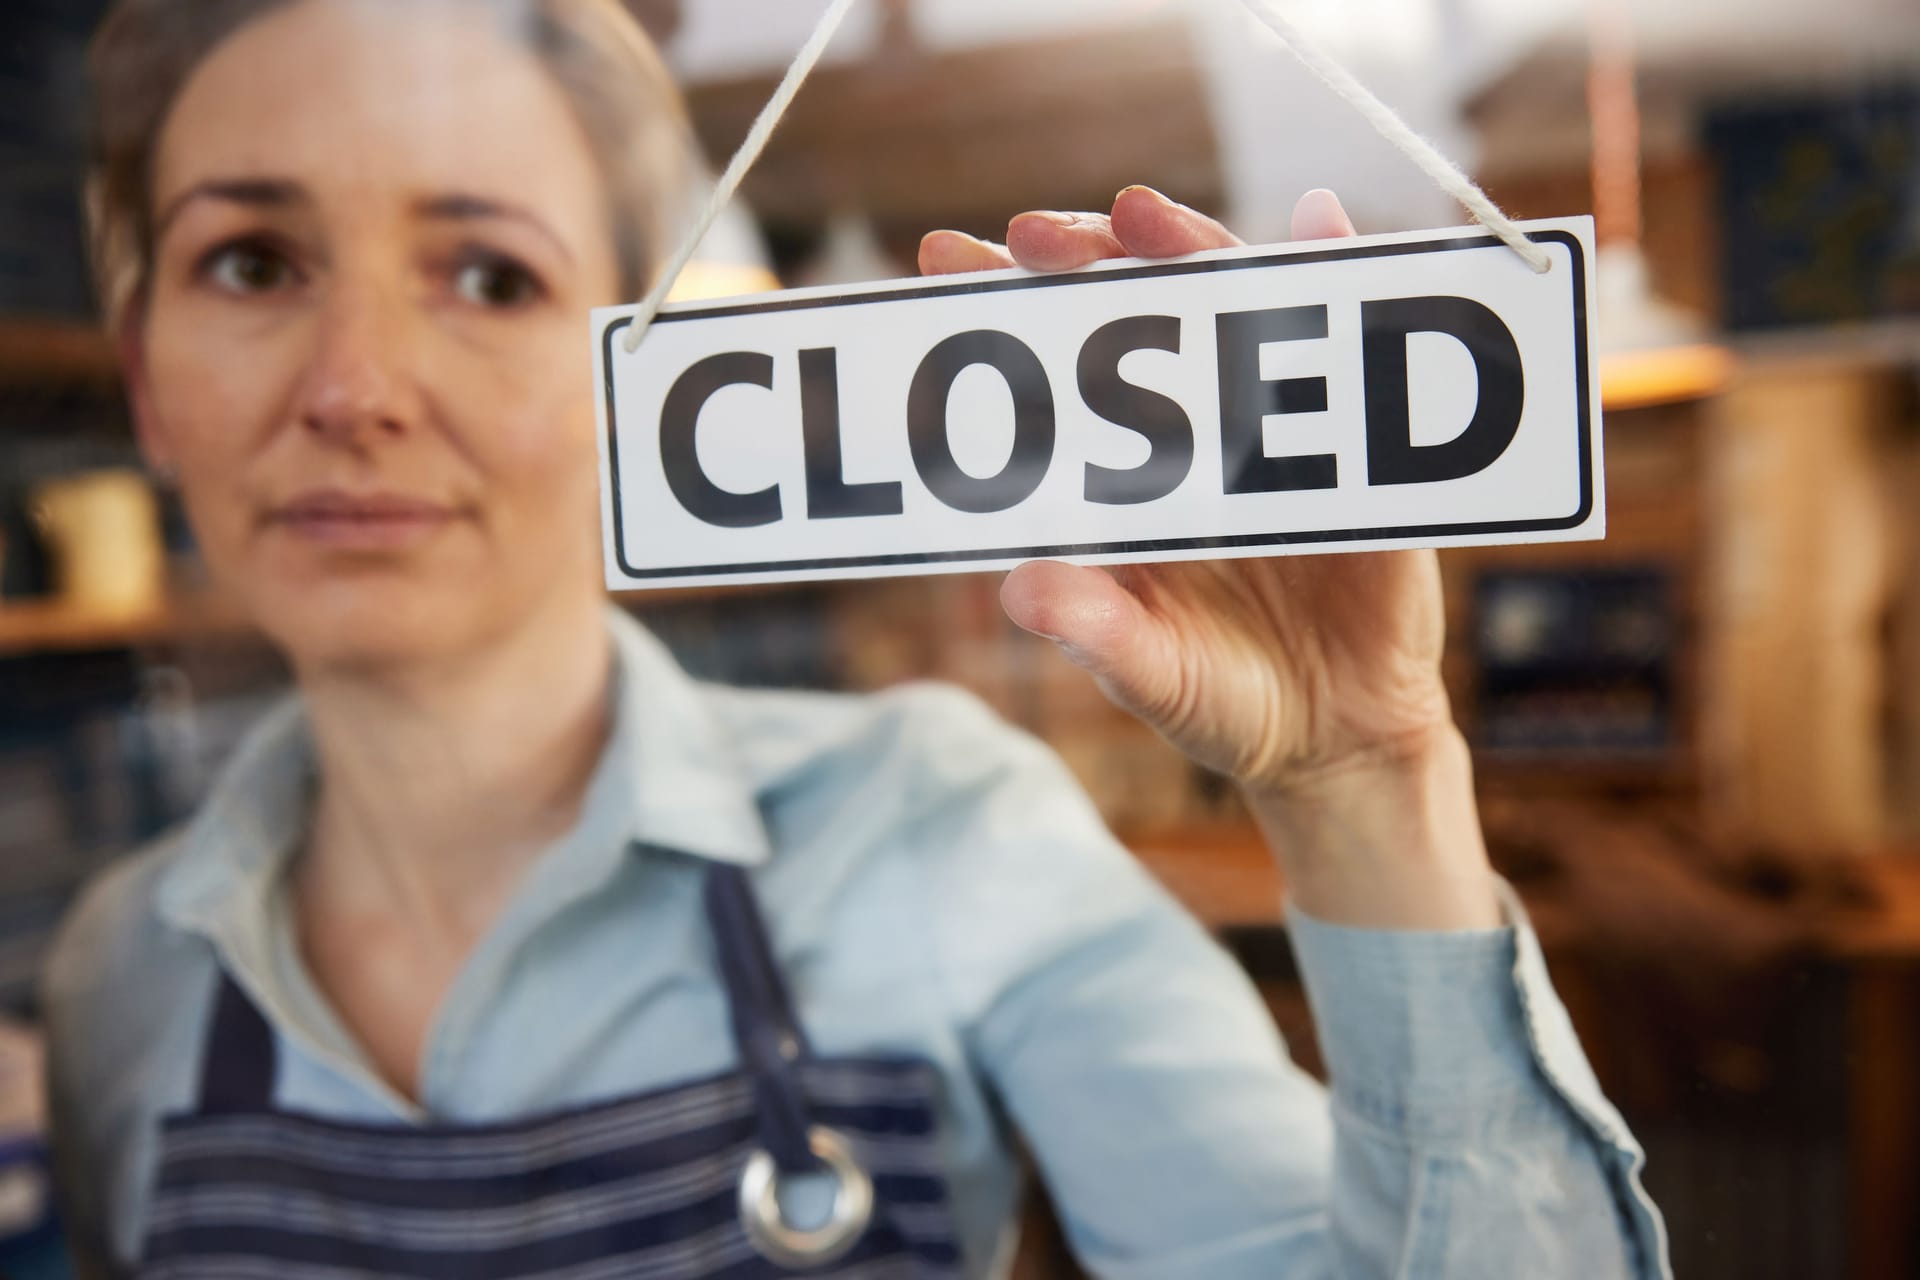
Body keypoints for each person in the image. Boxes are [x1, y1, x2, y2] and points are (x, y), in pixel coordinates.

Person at [42, 0, 1668, 1276]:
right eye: (249, 262)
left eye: (488, 273)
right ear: (146, 377)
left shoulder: (943, 832)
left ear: (636, 368)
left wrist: (1362, 784)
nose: (355, 388)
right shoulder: (122, 976)